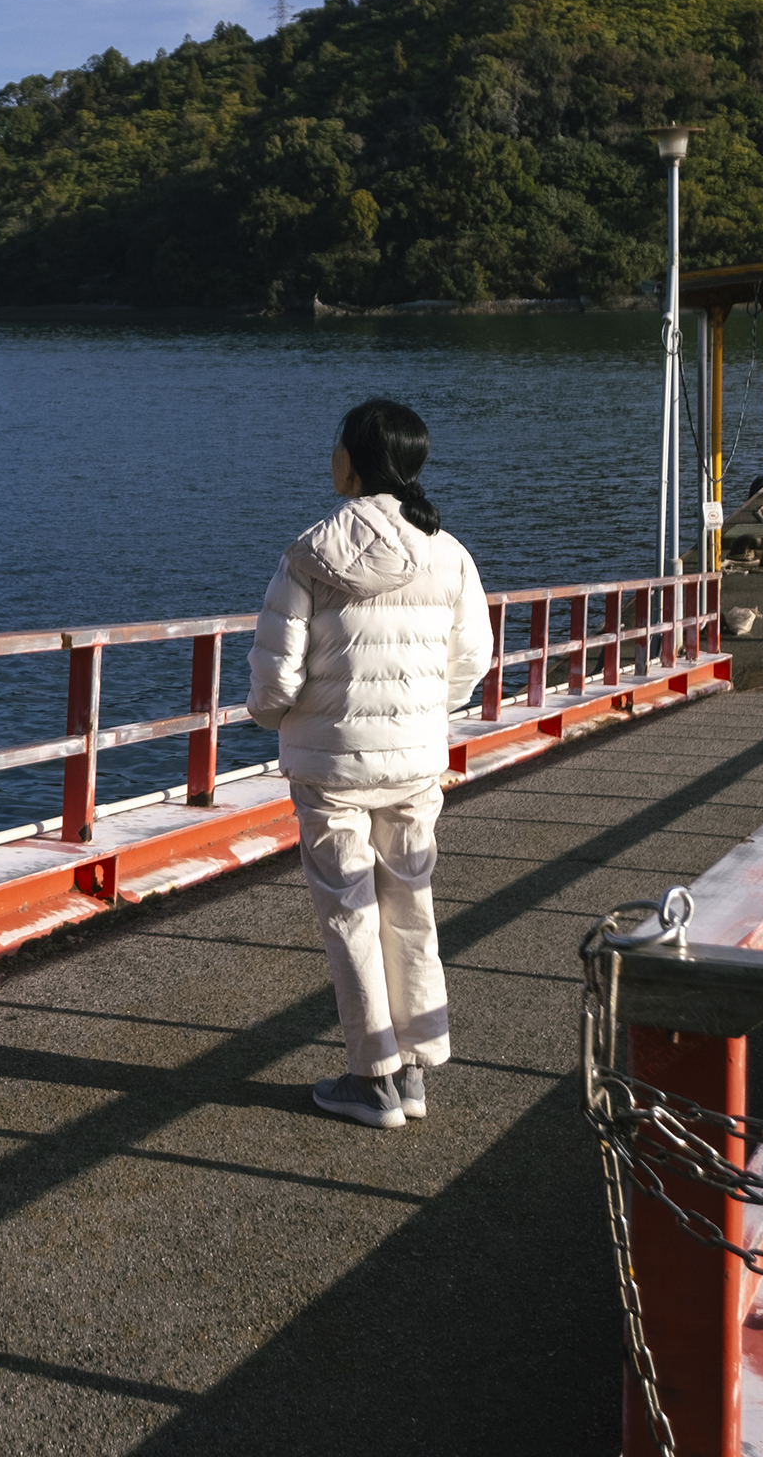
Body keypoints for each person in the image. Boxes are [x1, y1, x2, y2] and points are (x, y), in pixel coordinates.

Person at [246, 398, 490, 1130]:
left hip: (331, 768)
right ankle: (414, 1068)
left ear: (354, 459)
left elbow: (275, 682)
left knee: (350, 914)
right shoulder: (449, 553)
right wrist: (424, 714)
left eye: (337, 446)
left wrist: (275, 718)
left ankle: (371, 1076)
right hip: (415, 762)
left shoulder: (309, 552)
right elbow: (470, 659)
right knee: (410, 905)